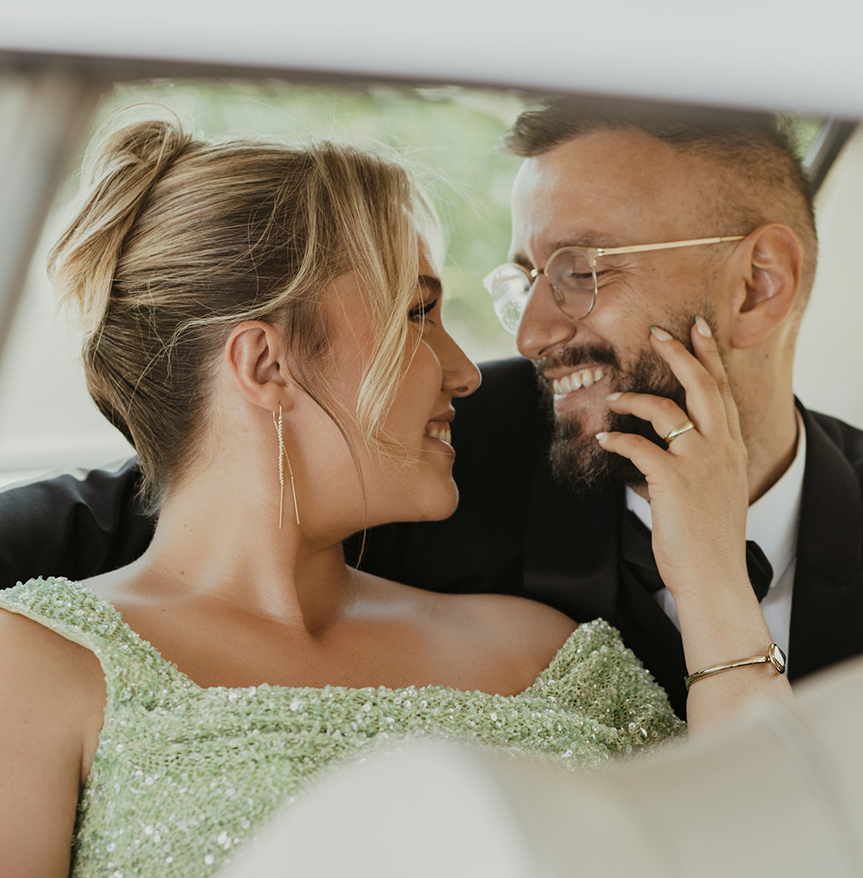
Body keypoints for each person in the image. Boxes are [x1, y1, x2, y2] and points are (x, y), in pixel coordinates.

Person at [0, 114, 787, 878]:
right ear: (266, 365)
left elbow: (768, 852)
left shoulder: (549, 656)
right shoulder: (34, 669)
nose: (468, 371)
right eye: (417, 315)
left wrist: (713, 585)